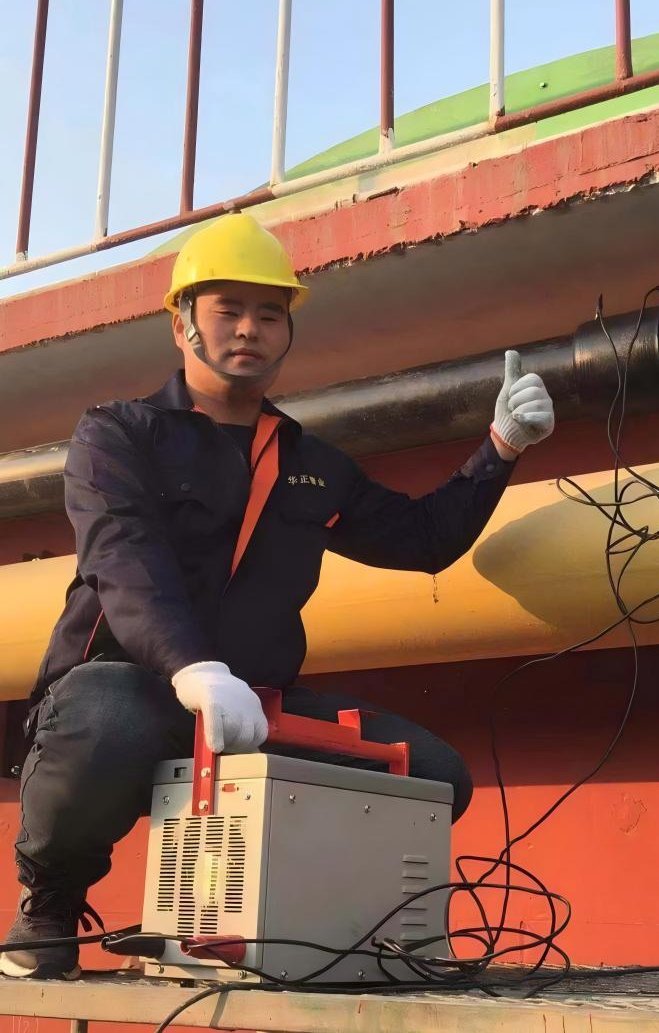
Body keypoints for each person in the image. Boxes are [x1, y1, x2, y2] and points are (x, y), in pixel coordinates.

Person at [1, 213, 554, 979]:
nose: (248, 329)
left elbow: (423, 539)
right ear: (181, 323)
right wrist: (193, 668)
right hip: (137, 691)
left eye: (269, 313)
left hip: (254, 707)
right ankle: (50, 902)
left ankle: (336, 931)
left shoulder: (311, 463)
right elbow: (124, 560)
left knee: (433, 774)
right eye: (227, 309)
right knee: (108, 716)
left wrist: (501, 447)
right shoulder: (118, 435)